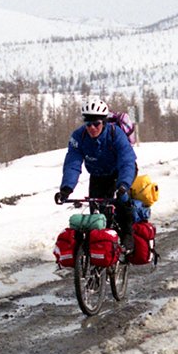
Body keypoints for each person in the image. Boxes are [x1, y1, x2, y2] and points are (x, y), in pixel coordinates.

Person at [55, 98, 137, 249]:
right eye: (88, 124)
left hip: (120, 172)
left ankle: (127, 234)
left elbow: (127, 161)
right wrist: (66, 188)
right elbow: (73, 163)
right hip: (98, 175)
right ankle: (98, 251)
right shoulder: (79, 137)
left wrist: (124, 184)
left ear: (104, 122)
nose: (92, 128)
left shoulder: (115, 134)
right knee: (97, 214)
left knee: (121, 202)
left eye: (96, 123)